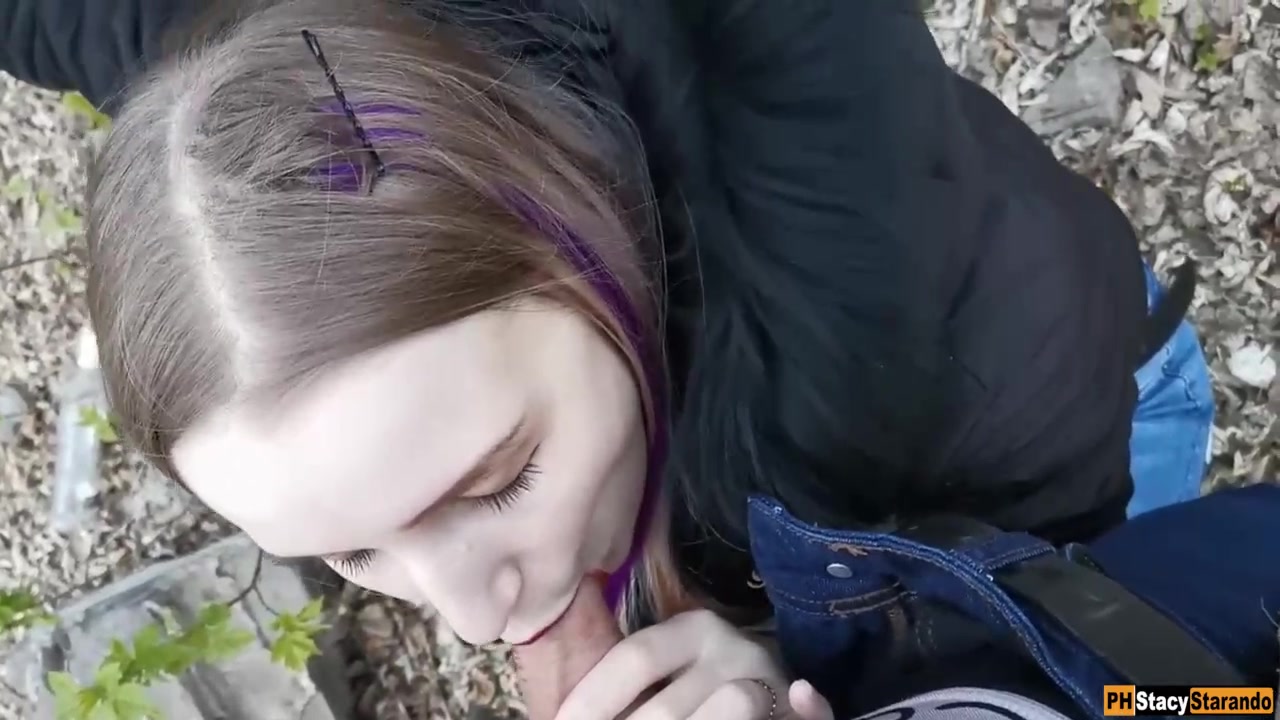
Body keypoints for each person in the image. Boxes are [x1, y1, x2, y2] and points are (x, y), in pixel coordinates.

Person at [34, 0, 1234, 715]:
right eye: (352, 551)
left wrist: (828, 672)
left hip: (1084, 413)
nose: (471, 617)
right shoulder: (290, 86)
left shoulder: (907, 374)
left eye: (495, 483)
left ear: (578, 236)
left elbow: (1140, 674)